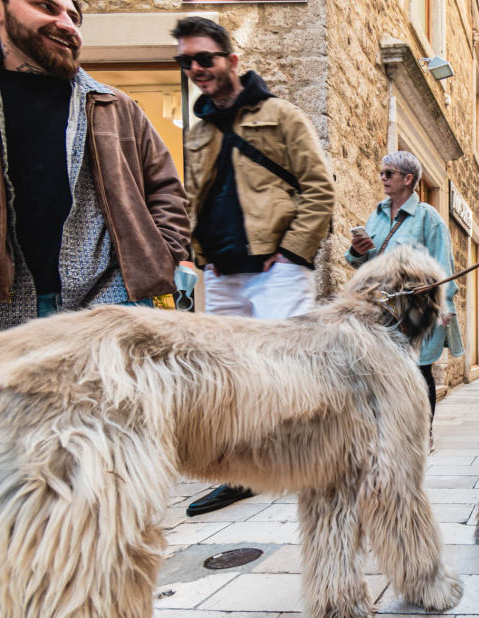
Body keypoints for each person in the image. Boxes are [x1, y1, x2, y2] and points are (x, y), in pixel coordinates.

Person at [174, 16, 335, 516]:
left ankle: (317, 464)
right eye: (186, 61)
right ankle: (242, 476)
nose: (196, 68)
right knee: (228, 381)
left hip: (276, 269)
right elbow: (193, 199)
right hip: (221, 273)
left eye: (205, 58)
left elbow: (319, 188)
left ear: (232, 61)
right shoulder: (199, 130)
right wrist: (198, 259)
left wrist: (291, 253)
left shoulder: (281, 116)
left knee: (288, 374)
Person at [0, 0, 190, 337]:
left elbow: (167, 189)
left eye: (74, 17)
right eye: (46, 7)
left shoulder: (114, 105)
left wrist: (161, 256)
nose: (67, 25)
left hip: (114, 304)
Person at [346, 150, 463, 447]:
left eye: (389, 173)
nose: (382, 178)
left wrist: (443, 307)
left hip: (417, 311)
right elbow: (365, 262)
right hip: (380, 309)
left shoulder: (429, 218)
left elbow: (443, 267)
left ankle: (424, 432)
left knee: (420, 371)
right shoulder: (377, 215)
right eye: (382, 172)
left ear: (408, 179)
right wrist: (358, 252)